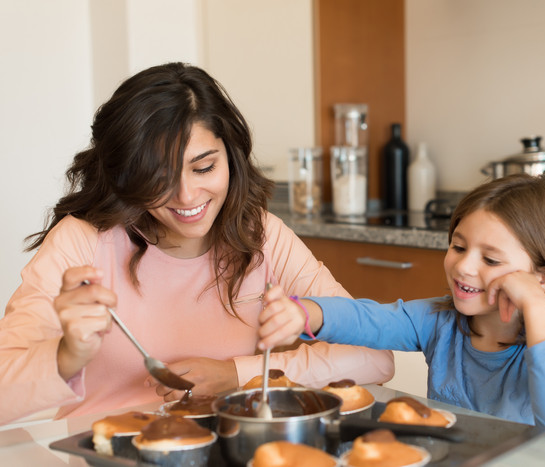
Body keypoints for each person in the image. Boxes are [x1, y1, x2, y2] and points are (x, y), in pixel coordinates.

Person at [0, 62, 393, 425]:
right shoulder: (82, 241)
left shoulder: (263, 236)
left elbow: (373, 358)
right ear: (127, 175)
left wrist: (236, 375)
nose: (187, 196)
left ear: (231, 155)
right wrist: (67, 355)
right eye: (158, 177)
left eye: (204, 167)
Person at [259, 174, 545, 442]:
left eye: (490, 259)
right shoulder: (439, 321)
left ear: (544, 277)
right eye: (458, 246)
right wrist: (307, 313)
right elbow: (370, 319)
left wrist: (535, 305)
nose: (463, 267)